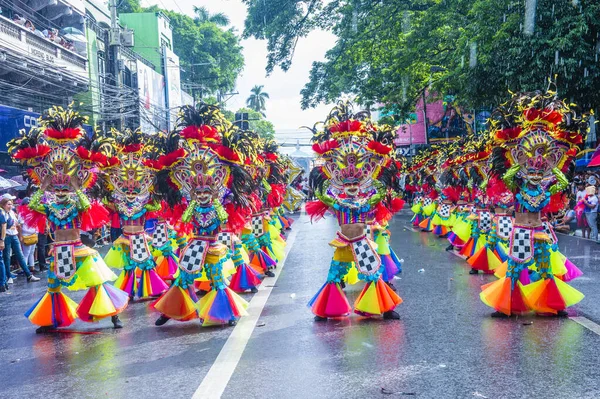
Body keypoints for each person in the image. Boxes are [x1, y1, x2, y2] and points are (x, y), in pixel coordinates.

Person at [0, 194, 39, 282]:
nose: (10, 206)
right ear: (3, 205)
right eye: (8, 204)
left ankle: (28, 275)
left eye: (11, 204)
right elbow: (3, 226)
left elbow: (17, 223)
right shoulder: (2, 213)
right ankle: (8, 276)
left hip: (14, 235)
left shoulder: (12, 213)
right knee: (7, 257)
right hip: (6, 236)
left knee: (20, 255)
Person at [18, 197, 38, 274]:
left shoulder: (33, 212)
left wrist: (36, 231)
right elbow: (20, 225)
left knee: (31, 252)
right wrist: (20, 235)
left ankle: (32, 267)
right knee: (26, 253)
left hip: (33, 234)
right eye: (27, 204)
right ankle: (25, 269)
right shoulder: (22, 213)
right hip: (26, 234)